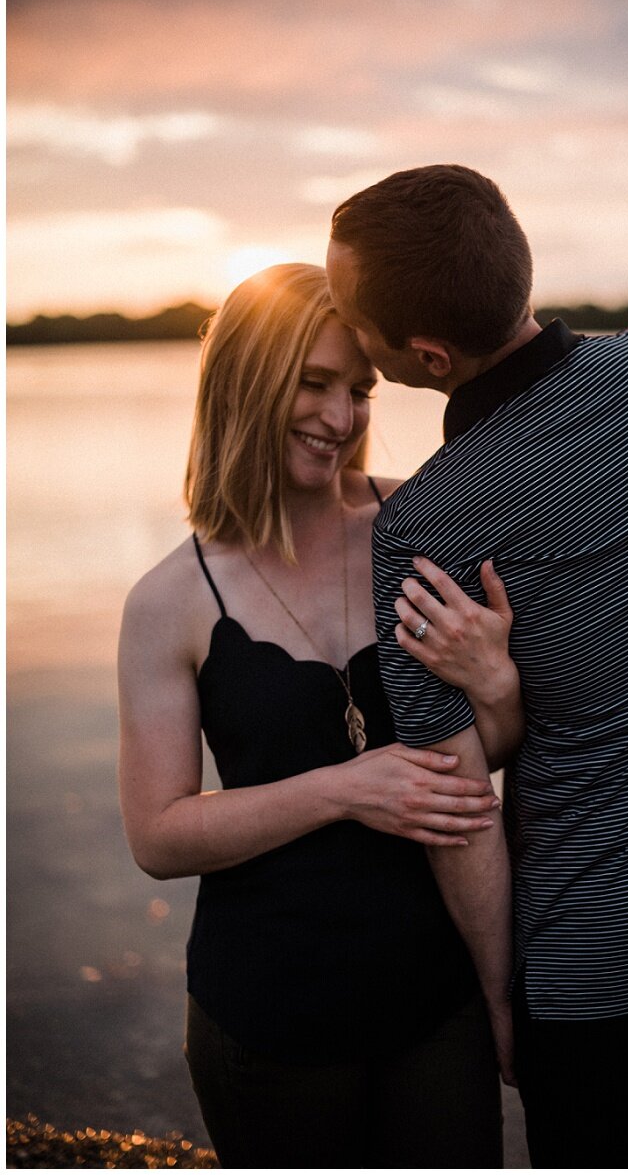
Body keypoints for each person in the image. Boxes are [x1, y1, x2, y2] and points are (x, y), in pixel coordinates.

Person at [326, 164, 628, 1169]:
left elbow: (455, 802)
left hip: (595, 966)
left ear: (426, 356)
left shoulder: (422, 526)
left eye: (350, 320)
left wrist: (498, 996)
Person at [117, 262, 523, 1169]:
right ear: (247, 381)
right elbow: (159, 835)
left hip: (437, 1000)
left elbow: (471, 770)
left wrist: (496, 686)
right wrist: (343, 790)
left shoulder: (424, 524)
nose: (339, 418)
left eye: (359, 390)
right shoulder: (171, 601)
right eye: (312, 383)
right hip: (266, 1019)